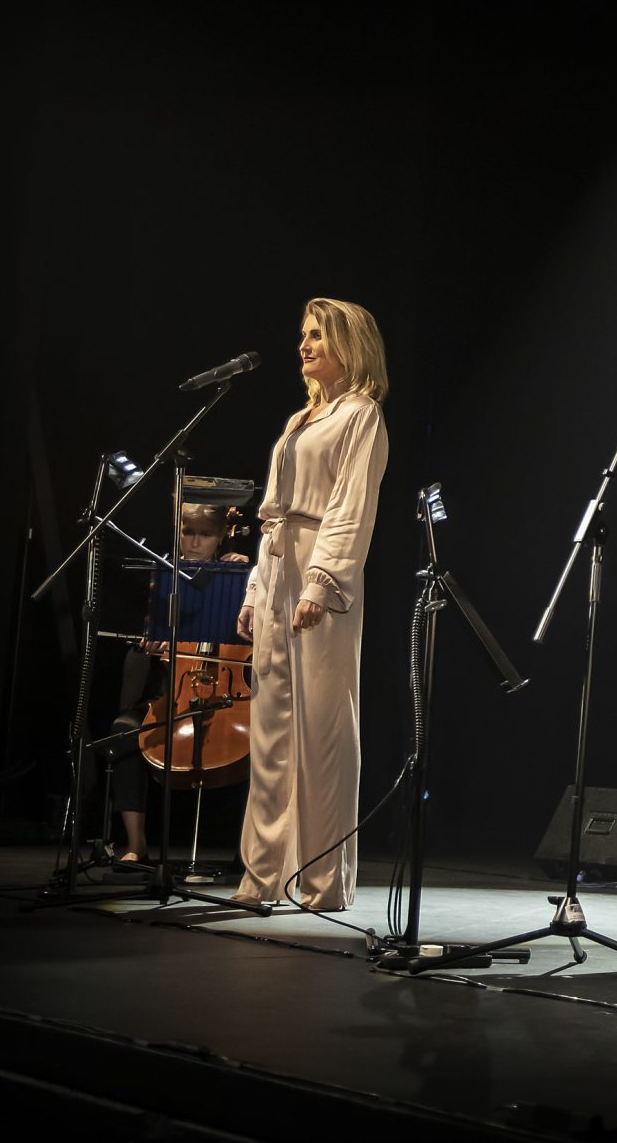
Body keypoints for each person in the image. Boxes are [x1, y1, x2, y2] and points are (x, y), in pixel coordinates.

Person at [233, 297, 390, 911]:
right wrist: (255, 590)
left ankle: (323, 880)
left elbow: (353, 506)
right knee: (270, 730)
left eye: (318, 335)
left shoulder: (361, 416)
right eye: (303, 335)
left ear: (349, 345)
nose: (305, 345)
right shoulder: (301, 419)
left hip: (320, 565)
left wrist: (322, 581)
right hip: (277, 565)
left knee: (323, 727)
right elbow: (273, 512)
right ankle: (262, 875)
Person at [93, 503, 249, 864]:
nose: (194, 542)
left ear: (222, 536)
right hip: (172, 695)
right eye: (187, 532)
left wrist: (251, 582)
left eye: (205, 534)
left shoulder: (240, 578)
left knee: (271, 740)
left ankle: (253, 852)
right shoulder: (162, 581)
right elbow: (130, 690)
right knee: (122, 729)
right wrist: (145, 651)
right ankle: (136, 843)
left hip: (229, 695)